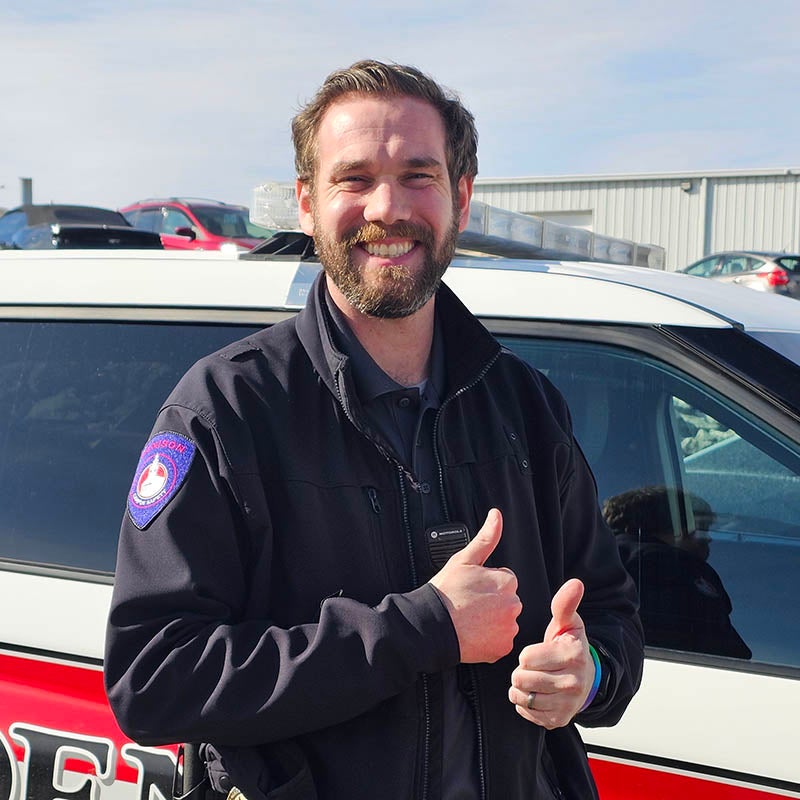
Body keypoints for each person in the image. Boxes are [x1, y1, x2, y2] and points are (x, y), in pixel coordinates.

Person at [105, 60, 644, 800]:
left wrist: (591, 675)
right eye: (354, 178)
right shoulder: (225, 410)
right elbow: (153, 679)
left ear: (460, 198)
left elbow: (612, 614)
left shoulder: (525, 406)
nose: (387, 208)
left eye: (418, 175)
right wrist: (421, 628)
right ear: (306, 202)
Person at [603, 485, 751, 659]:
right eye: (700, 528)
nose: (708, 539)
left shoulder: (596, 563)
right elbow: (731, 652)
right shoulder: (681, 572)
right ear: (675, 529)